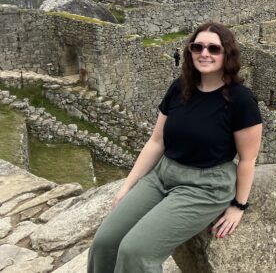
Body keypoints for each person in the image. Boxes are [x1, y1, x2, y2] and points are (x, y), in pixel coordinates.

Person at [88, 22, 263, 273]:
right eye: (198, 47)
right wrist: (127, 185)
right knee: (105, 242)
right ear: (190, 52)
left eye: (214, 48)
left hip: (205, 186)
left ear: (227, 54)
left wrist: (238, 206)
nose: (205, 53)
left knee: (135, 251)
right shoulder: (180, 88)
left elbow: (248, 158)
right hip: (163, 175)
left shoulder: (241, 100)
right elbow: (156, 142)